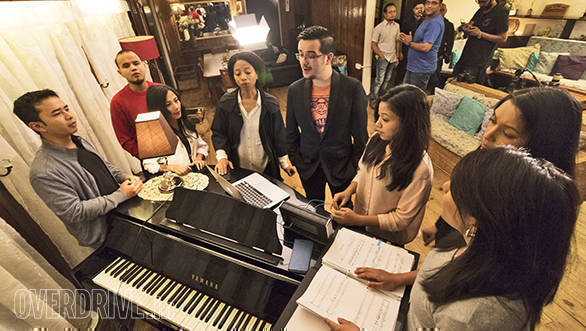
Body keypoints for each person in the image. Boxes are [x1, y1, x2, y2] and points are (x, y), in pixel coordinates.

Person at [326, 146, 580, 330]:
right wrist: (401, 278)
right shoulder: (478, 243)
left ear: (480, 216)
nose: (444, 187)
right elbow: (447, 271)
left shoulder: (472, 317)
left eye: (456, 186)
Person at [423, 86, 582, 247]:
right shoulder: (483, 159)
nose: (488, 134)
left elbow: (469, 264)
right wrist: (438, 227)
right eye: (492, 120)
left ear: (543, 147)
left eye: (509, 134)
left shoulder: (522, 211)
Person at [13, 90, 143, 248]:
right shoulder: (43, 172)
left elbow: (103, 167)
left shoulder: (79, 141)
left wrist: (125, 177)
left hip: (126, 215)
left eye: (66, 108)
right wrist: (120, 195)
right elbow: (74, 211)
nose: (69, 116)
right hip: (108, 236)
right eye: (57, 114)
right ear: (38, 126)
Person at [330, 85, 433, 245]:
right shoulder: (376, 140)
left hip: (389, 238)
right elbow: (363, 171)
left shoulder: (420, 169)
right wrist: (348, 190)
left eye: (385, 119)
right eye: (378, 116)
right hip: (361, 224)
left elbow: (401, 219)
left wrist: (357, 220)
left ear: (408, 123)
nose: (377, 124)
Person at [287, 26, 368, 202]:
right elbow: (291, 132)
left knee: (345, 213)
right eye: (300, 54)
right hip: (308, 166)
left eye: (311, 55)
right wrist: (297, 161)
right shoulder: (295, 90)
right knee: (314, 213)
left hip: (341, 167)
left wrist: (353, 167)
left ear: (329, 57)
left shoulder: (352, 88)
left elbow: (361, 136)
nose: (304, 61)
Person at [211, 51, 295, 179]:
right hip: (238, 166)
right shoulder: (225, 103)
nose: (243, 77)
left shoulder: (271, 104)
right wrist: (222, 157)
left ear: (257, 74)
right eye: (238, 74)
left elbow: (279, 136)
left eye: (248, 72)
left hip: (266, 166)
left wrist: (284, 163)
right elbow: (219, 132)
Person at [142, 85, 209, 175]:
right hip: (176, 181)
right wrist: (171, 167)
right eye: (168, 104)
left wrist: (198, 159)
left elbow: (201, 145)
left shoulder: (184, 122)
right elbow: (149, 164)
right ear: (159, 108)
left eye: (176, 100)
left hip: (196, 175)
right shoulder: (155, 133)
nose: (176, 107)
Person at [110, 49, 160, 158]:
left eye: (136, 63)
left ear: (144, 65)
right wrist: (150, 157)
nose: (133, 68)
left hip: (179, 151)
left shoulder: (162, 90)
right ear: (120, 72)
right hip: (149, 159)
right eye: (126, 66)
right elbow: (125, 140)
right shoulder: (117, 102)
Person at [453, 0, 508, 84]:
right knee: (454, 82)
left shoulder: (500, 13)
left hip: (479, 60)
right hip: (466, 56)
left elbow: (503, 38)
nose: (480, 5)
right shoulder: (481, 10)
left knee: (467, 88)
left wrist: (480, 34)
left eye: (483, 2)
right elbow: (471, 24)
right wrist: (466, 28)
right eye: (479, 2)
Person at [400, 0, 445, 90]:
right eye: (427, 2)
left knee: (413, 99)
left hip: (421, 68)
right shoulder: (428, 19)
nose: (429, 6)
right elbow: (422, 40)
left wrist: (409, 43)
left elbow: (426, 47)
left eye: (434, 3)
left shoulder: (435, 23)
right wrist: (410, 40)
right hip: (414, 66)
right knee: (405, 96)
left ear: (440, 6)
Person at [369, 2, 401, 111]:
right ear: (385, 14)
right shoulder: (379, 28)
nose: (393, 14)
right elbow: (373, 44)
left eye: (394, 12)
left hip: (392, 57)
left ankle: (382, 98)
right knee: (379, 80)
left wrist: (397, 56)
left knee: (387, 80)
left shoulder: (397, 26)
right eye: (390, 12)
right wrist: (381, 55)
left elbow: (397, 41)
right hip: (383, 58)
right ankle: (373, 99)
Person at [394, 1, 424, 85]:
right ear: (413, 10)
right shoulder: (407, 21)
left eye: (421, 8)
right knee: (401, 72)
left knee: (414, 75)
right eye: (417, 8)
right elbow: (400, 38)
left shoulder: (426, 22)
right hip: (406, 51)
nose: (419, 10)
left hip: (418, 52)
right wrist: (399, 52)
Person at [427, 2, 454, 91]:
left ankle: (433, 95)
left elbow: (450, 42)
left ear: (445, 11)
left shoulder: (449, 25)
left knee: (434, 78)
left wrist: (446, 54)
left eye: (442, 10)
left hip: (438, 55)